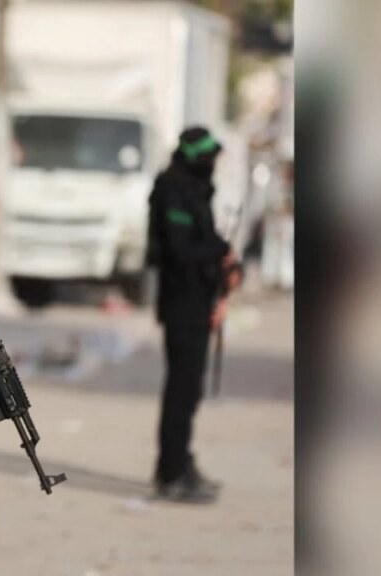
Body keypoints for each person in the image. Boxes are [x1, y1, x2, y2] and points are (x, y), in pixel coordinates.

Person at [147, 126, 242, 504]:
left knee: (190, 391)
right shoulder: (172, 189)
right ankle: (171, 473)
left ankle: (180, 463)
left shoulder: (196, 190)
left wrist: (228, 268)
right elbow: (181, 250)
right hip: (181, 303)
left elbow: (207, 244)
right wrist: (219, 253)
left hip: (200, 301)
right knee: (181, 390)